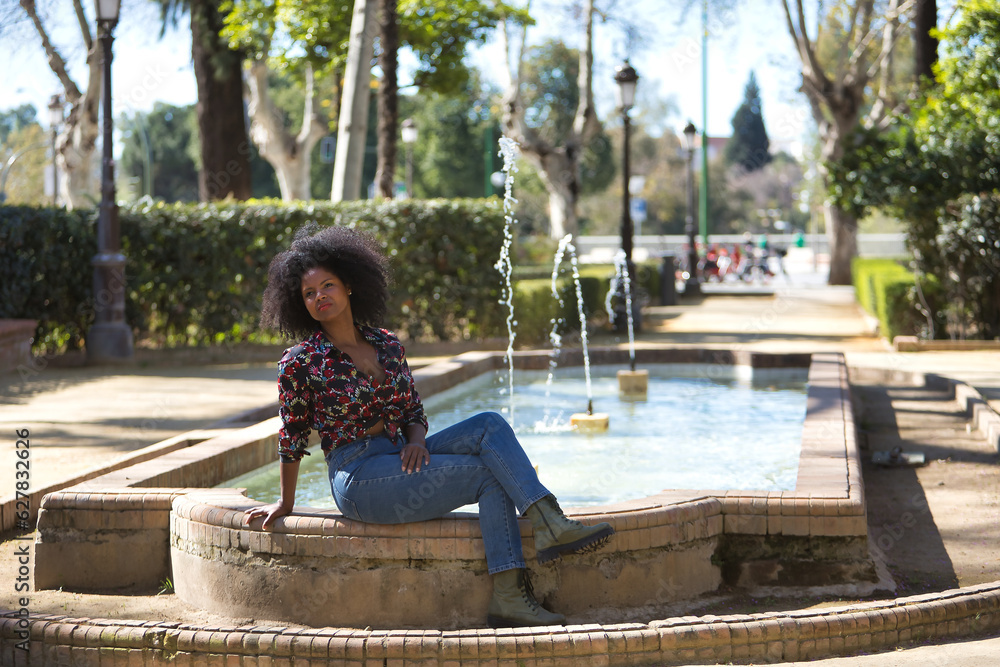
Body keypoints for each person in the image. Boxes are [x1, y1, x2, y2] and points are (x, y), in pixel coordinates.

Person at [245, 225, 614, 628]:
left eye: (327, 285)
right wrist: (285, 502)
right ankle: (511, 592)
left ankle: (548, 521)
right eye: (309, 294)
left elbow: (413, 412)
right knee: (489, 476)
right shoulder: (301, 361)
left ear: (349, 285)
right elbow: (292, 435)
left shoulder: (386, 344)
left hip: (398, 455)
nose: (320, 297)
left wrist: (416, 441)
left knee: (488, 424)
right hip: (358, 475)